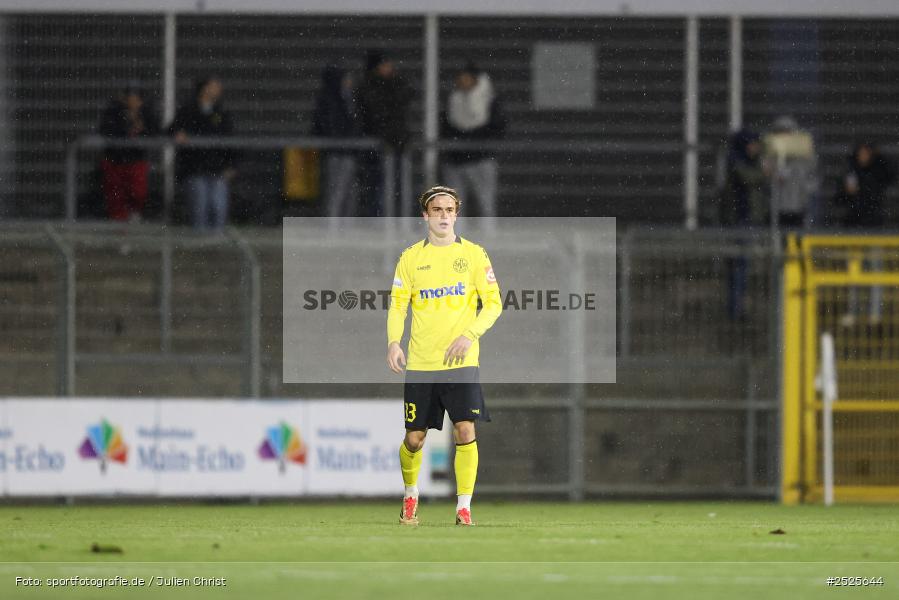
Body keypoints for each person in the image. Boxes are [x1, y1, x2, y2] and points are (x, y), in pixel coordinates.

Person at [386, 185, 502, 526]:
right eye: (436, 210)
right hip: (422, 364)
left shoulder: (475, 255)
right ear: (425, 215)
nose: (443, 215)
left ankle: (463, 507)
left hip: (462, 364)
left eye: (449, 210)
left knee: (465, 430)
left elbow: (494, 304)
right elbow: (397, 306)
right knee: (415, 438)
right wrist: (395, 342)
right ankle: (410, 495)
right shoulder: (411, 258)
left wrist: (469, 335)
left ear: (456, 215)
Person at [834, 142, 897, 326]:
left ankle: (874, 314)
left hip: (874, 230)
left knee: (876, 273)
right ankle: (853, 311)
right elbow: (838, 199)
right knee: (853, 273)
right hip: (854, 229)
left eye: (866, 153)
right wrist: (847, 193)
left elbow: (891, 174)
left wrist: (880, 155)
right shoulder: (849, 172)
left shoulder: (877, 171)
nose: (863, 156)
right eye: (860, 153)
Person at [442, 63, 505, 228]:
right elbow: (446, 127)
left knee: (485, 203)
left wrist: (475, 143)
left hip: (481, 159)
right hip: (456, 160)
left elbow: (497, 128)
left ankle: (488, 240)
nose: (463, 82)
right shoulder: (454, 100)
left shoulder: (489, 101)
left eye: (467, 78)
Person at [169, 76, 235, 232]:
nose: (218, 89)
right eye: (214, 86)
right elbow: (171, 130)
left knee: (218, 207)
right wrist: (178, 134)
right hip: (194, 169)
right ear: (204, 88)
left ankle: (216, 246)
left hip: (217, 170)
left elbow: (231, 141)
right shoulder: (188, 110)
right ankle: (200, 249)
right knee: (199, 207)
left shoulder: (221, 112)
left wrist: (232, 166)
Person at [356, 51, 414, 217]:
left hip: (397, 143)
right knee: (380, 187)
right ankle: (382, 222)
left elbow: (405, 100)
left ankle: (399, 222)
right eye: (384, 65)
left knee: (398, 187)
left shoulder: (395, 84)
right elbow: (376, 115)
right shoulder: (369, 87)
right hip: (379, 145)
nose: (389, 68)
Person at [720, 129, 769, 321]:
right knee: (738, 266)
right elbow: (749, 177)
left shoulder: (748, 161)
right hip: (739, 220)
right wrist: (764, 172)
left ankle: (737, 308)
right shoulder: (736, 161)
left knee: (742, 267)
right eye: (752, 144)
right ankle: (735, 310)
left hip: (747, 219)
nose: (755, 148)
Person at [98, 83, 158, 222]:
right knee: (116, 196)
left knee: (138, 193)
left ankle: (134, 216)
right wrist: (127, 127)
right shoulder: (114, 112)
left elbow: (155, 131)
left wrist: (142, 129)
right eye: (130, 98)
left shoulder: (146, 113)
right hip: (115, 161)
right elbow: (108, 130)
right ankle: (119, 227)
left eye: (136, 98)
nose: (133, 102)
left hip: (135, 161)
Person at [312, 66, 360, 218]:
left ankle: (342, 225)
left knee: (348, 191)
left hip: (345, 151)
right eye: (346, 78)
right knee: (338, 191)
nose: (349, 82)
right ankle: (334, 226)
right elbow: (331, 125)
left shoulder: (346, 99)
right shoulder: (333, 100)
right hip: (338, 152)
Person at [762, 116, 817, 228]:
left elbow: (812, 177)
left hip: (799, 205)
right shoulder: (769, 156)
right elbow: (764, 178)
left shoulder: (806, 156)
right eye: (780, 133)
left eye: (787, 132)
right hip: (776, 206)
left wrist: (805, 192)